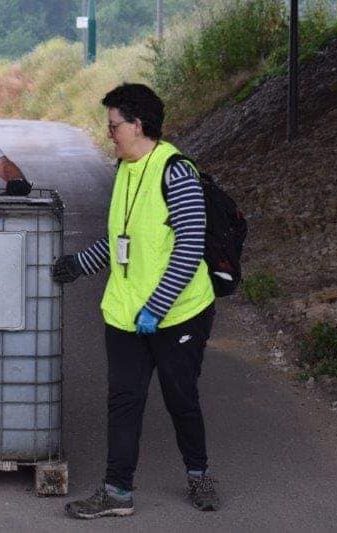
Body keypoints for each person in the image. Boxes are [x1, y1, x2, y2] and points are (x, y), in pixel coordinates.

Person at [54, 83, 218, 518]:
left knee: (180, 397)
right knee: (124, 401)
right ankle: (117, 492)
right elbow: (121, 240)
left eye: (114, 126)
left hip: (180, 312)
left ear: (138, 124)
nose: (110, 133)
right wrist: (79, 264)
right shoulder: (125, 169)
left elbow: (189, 246)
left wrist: (158, 307)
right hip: (127, 314)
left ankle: (199, 474)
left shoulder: (176, 171)